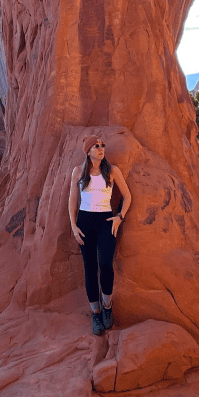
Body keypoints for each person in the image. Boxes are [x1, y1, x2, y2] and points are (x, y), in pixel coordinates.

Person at [68, 134, 132, 336]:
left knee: (105, 265)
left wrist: (120, 217)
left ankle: (107, 306)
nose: (100, 148)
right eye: (96, 146)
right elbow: (72, 202)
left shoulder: (112, 171)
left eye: (102, 145)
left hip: (106, 221)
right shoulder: (78, 171)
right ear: (88, 151)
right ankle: (95, 313)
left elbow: (128, 196)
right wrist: (73, 226)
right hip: (85, 222)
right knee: (89, 268)